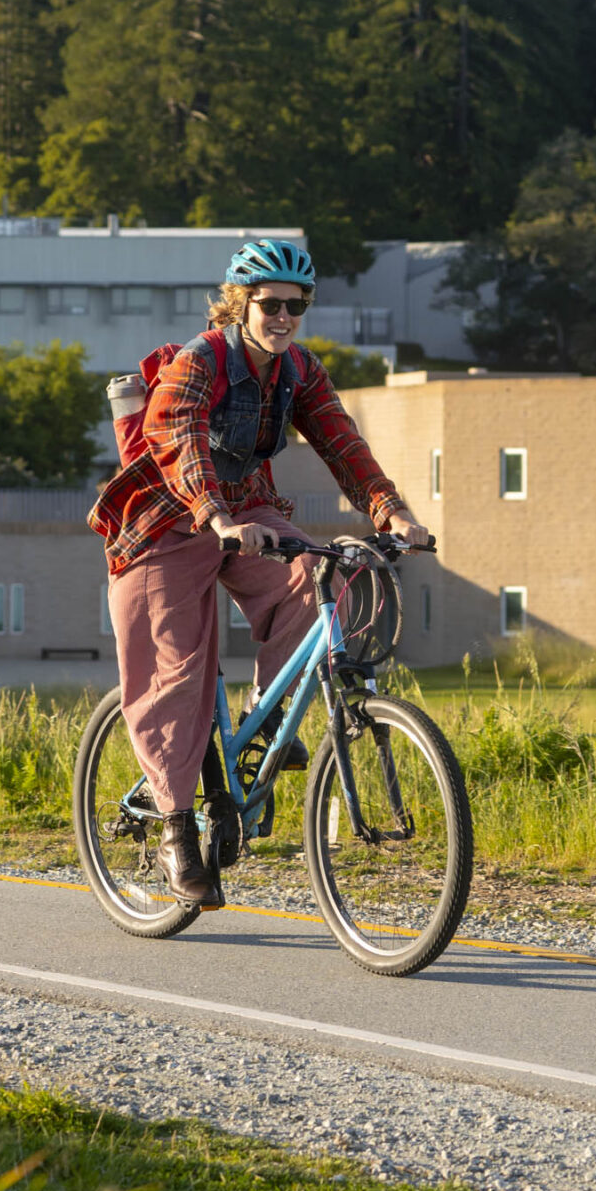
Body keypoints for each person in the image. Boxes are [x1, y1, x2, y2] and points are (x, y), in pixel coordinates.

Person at [89, 237, 432, 909]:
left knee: (320, 569)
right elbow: (179, 440)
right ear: (239, 303)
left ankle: (266, 727)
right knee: (178, 671)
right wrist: (215, 516)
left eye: (296, 306)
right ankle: (177, 831)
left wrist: (390, 513)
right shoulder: (199, 362)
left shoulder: (298, 370)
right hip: (166, 519)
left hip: (244, 510)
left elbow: (342, 442)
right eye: (270, 304)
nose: (283, 317)